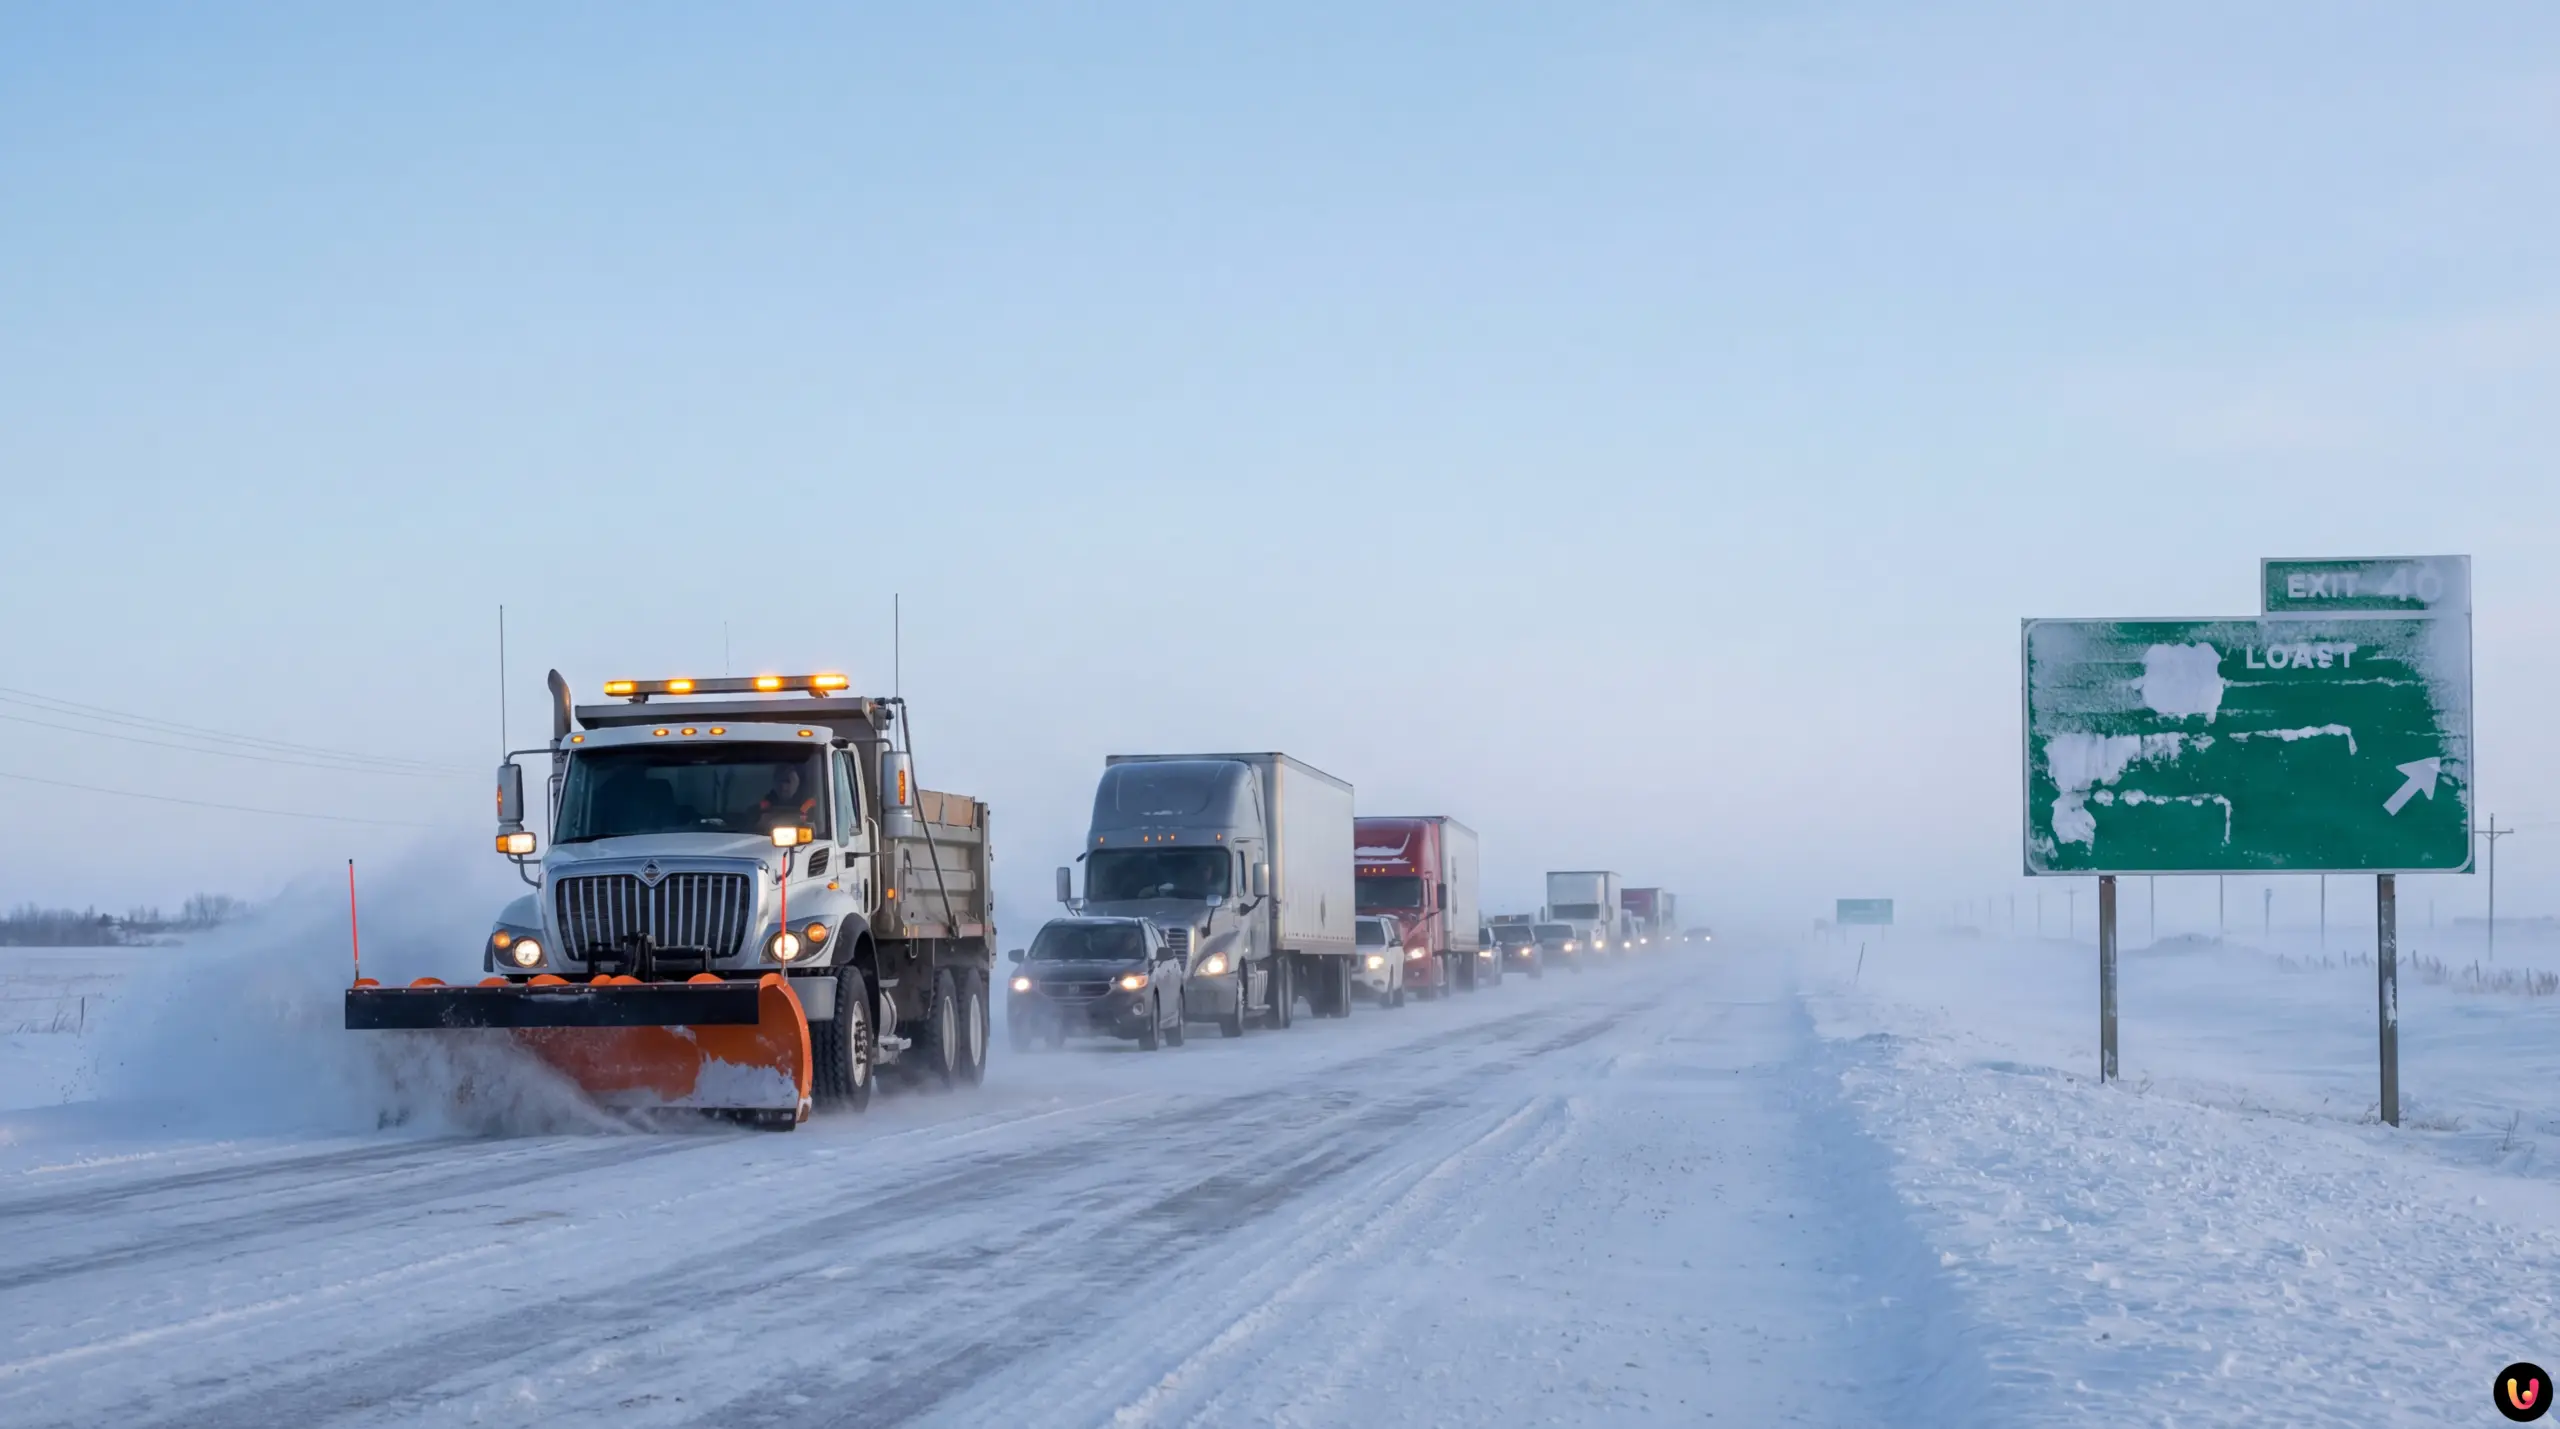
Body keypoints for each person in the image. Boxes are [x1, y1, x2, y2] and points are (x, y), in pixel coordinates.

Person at [756, 762, 822, 834]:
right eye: (780, 781)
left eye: (788, 781)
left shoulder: (813, 808)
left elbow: (820, 832)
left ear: (798, 782)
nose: (783, 786)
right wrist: (759, 826)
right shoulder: (758, 810)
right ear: (774, 782)